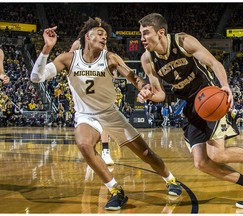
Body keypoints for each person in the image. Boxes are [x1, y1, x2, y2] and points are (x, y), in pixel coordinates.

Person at [30, 17, 182, 211]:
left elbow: (134, 78)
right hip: (86, 115)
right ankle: (115, 190)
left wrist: (144, 88)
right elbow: (36, 77)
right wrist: (47, 48)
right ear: (87, 36)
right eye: (100, 34)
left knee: (147, 154)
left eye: (106, 36)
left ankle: (170, 179)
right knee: (84, 143)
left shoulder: (110, 58)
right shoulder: (68, 59)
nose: (104, 38)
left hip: (110, 113)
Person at [137, 13, 243, 209]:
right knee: (201, 163)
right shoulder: (147, 59)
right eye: (141, 34)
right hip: (190, 106)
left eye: (146, 33)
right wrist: (147, 94)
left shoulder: (183, 41)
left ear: (160, 32)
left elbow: (214, 63)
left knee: (217, 154)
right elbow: (161, 94)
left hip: (209, 97)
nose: (142, 38)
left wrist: (225, 86)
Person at [70, 39, 114, 165]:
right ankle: (92, 150)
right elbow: (70, 56)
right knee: (87, 126)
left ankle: (105, 151)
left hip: (100, 89)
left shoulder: (102, 50)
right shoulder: (78, 47)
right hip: (83, 91)